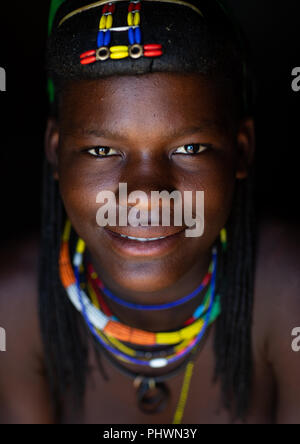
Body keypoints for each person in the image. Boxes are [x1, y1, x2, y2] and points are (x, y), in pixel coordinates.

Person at [0, 0, 299, 425]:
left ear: (241, 150)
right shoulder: (15, 307)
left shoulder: (286, 293)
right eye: (102, 150)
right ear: (55, 151)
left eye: (189, 149)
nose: (144, 195)